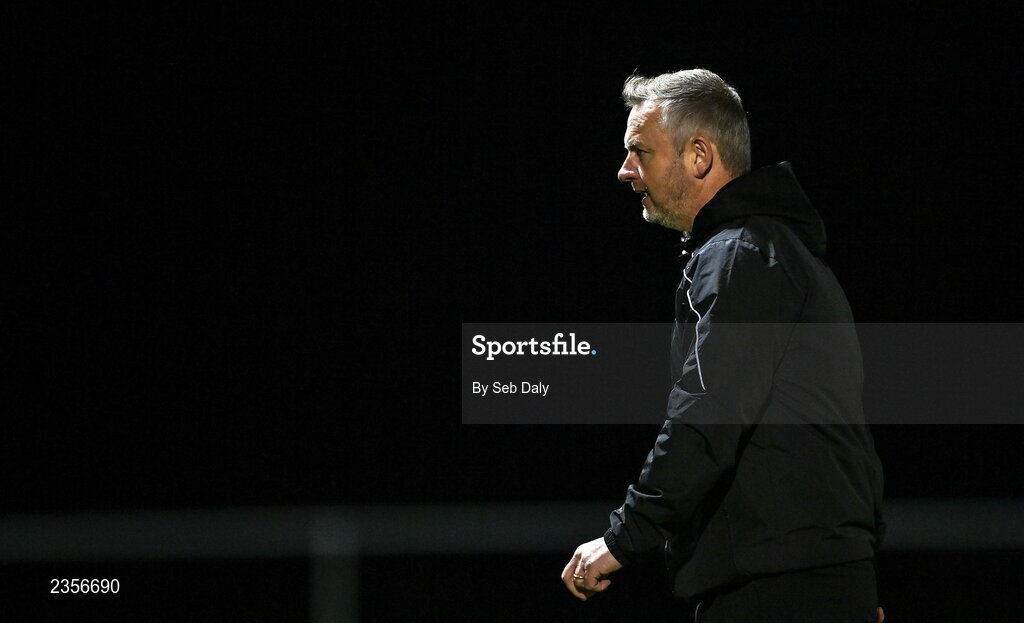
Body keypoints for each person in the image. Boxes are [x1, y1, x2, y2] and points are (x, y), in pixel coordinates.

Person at [560, 69, 886, 622]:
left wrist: (623, 537)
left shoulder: (740, 257)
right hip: (811, 578)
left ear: (699, 156)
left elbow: (707, 415)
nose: (625, 170)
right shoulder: (780, 255)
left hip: (776, 589)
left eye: (640, 151)